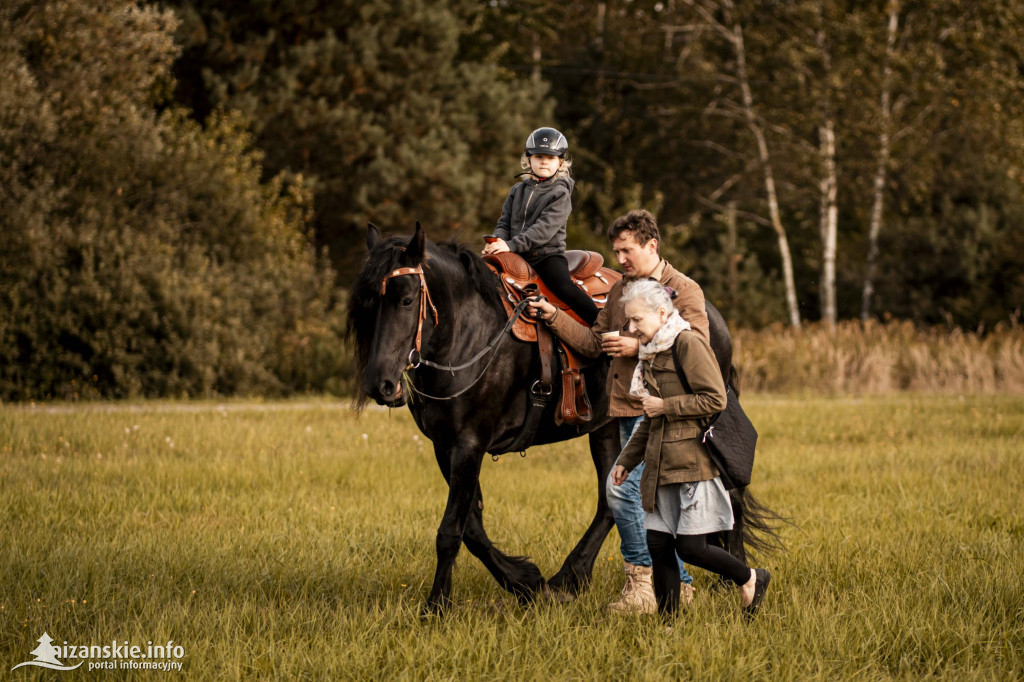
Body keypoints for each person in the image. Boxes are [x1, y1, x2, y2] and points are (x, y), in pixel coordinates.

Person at [528, 208, 709, 614]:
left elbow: (697, 351)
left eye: (627, 251)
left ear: (652, 245)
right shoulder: (620, 291)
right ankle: (678, 585)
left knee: (620, 489)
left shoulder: (684, 290)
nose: (620, 260)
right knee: (652, 502)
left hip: (665, 413)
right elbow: (593, 344)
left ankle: (643, 583)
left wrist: (638, 347)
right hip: (627, 410)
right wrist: (553, 316)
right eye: (616, 251)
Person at [610, 279, 770, 618]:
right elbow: (651, 417)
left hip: (692, 464)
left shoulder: (687, 343)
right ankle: (668, 627)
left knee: (692, 547)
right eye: (628, 321)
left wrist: (665, 406)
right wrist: (626, 460)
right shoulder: (652, 354)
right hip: (660, 463)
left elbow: (715, 399)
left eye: (637, 320)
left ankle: (751, 577)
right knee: (659, 546)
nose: (630, 327)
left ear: (662, 313)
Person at [482, 127, 599, 325]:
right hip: (516, 253)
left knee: (563, 287)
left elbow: (544, 230)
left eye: (551, 157)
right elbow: (504, 222)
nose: (544, 161)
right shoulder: (517, 190)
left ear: (560, 162)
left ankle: (602, 326)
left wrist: (511, 245)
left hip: (545, 255)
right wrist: (498, 241)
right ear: (528, 160)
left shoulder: (560, 193)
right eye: (539, 156)